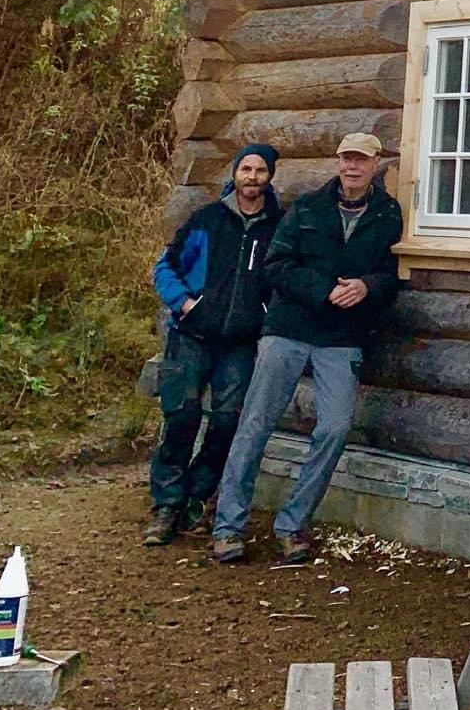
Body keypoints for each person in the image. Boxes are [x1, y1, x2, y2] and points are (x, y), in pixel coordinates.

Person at [210, 133, 403, 565]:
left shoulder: (388, 215)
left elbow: (391, 274)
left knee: (335, 428)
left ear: (375, 165)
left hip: (342, 338)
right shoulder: (307, 209)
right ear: (338, 163)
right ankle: (228, 527)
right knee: (256, 423)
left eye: (362, 160)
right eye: (346, 159)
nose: (353, 167)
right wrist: (322, 291)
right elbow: (276, 265)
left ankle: (293, 524)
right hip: (289, 328)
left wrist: (367, 287)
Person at [144, 143, 283, 546]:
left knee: (226, 422)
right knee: (182, 417)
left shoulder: (278, 228)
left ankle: (196, 498)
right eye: (246, 168)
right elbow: (165, 267)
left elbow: (282, 279)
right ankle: (165, 504)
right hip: (191, 335)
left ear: (269, 177)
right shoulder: (206, 220)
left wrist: (264, 314)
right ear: (235, 173)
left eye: (260, 170)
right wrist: (186, 303)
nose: (252, 177)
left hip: (239, 343)